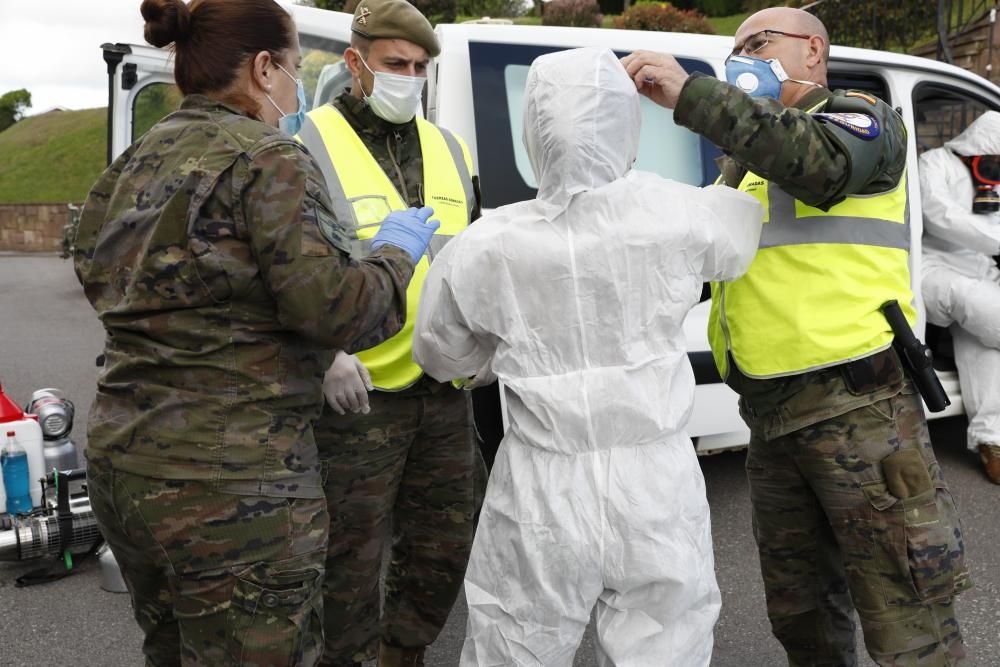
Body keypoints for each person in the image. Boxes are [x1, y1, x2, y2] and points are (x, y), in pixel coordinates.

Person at [73, 0, 438, 664]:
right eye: (295, 70)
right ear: (265, 68)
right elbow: (338, 310)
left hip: (126, 465)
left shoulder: (135, 161)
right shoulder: (270, 158)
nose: (297, 88)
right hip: (233, 480)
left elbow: (97, 273)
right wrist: (395, 252)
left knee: (173, 648)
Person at [623, 6, 972, 665]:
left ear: (813, 50)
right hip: (771, 420)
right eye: (736, 50)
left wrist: (694, 94)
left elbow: (818, 163)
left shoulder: (860, 120)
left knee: (908, 619)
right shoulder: (744, 164)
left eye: (757, 43)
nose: (742, 59)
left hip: (860, 415)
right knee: (802, 616)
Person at [413, 47, 765, 666]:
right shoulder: (678, 214)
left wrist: (499, 354)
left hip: (541, 484)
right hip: (654, 480)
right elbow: (739, 231)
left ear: (533, 134)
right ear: (627, 125)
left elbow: (441, 355)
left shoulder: (486, 244)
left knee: (514, 643)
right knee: (665, 644)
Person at [294, 1, 482, 664]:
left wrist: (484, 336)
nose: (410, 77)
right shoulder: (307, 145)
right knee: (347, 556)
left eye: (420, 66)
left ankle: (404, 652)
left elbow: (472, 258)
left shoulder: (449, 148)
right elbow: (283, 269)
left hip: (444, 388)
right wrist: (325, 355)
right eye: (395, 64)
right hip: (360, 397)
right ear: (356, 63)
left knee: (443, 545)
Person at [920, 110, 1000, 484]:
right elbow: (939, 216)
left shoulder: (991, 177)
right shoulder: (934, 163)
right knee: (984, 308)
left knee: (983, 342)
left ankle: (991, 441)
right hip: (932, 270)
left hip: (980, 274)